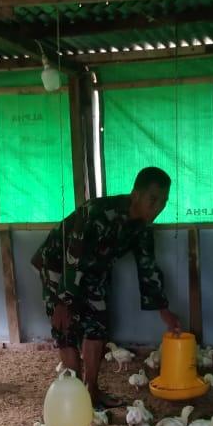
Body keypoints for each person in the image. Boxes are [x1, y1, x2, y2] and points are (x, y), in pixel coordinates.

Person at [31, 166, 181, 409]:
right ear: (136, 195)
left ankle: (91, 391)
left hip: (93, 271)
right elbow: (73, 257)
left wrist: (164, 310)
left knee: (97, 326)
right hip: (59, 266)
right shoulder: (98, 213)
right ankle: (76, 399)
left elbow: (147, 266)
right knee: (67, 328)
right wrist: (62, 302)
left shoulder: (142, 227)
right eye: (153, 200)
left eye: (163, 202)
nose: (158, 207)